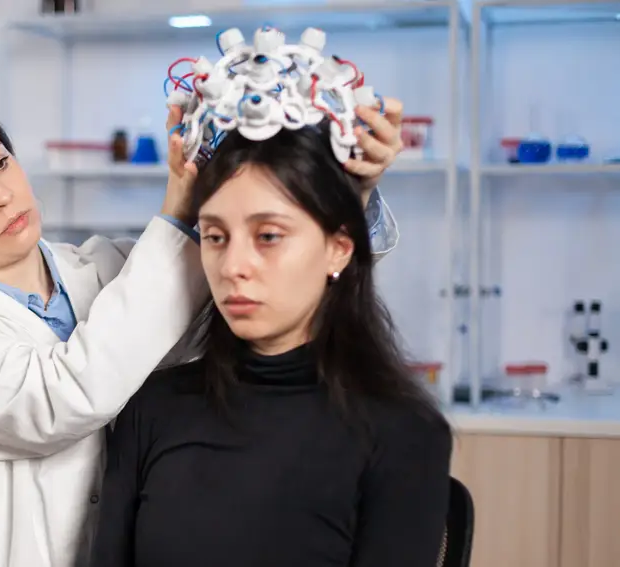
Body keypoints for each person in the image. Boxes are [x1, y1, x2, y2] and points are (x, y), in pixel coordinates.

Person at [0, 90, 404, 567]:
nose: (2, 195)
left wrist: (349, 193)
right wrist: (176, 210)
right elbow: (66, 396)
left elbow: (267, 299)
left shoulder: (108, 268)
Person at [90, 124, 452, 567]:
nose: (234, 266)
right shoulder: (151, 408)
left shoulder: (404, 432)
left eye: (268, 237)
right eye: (215, 236)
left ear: (339, 248)